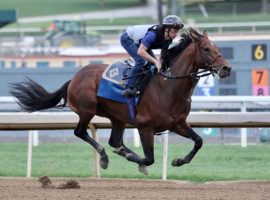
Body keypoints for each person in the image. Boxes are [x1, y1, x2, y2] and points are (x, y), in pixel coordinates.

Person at [120, 15, 184, 96]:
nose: (176, 34)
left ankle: (143, 85)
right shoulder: (152, 35)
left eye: (177, 31)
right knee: (140, 61)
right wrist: (156, 61)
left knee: (153, 64)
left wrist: (159, 63)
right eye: (174, 31)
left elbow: (163, 54)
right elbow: (140, 51)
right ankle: (128, 87)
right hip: (128, 38)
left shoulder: (169, 39)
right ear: (167, 29)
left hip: (140, 42)